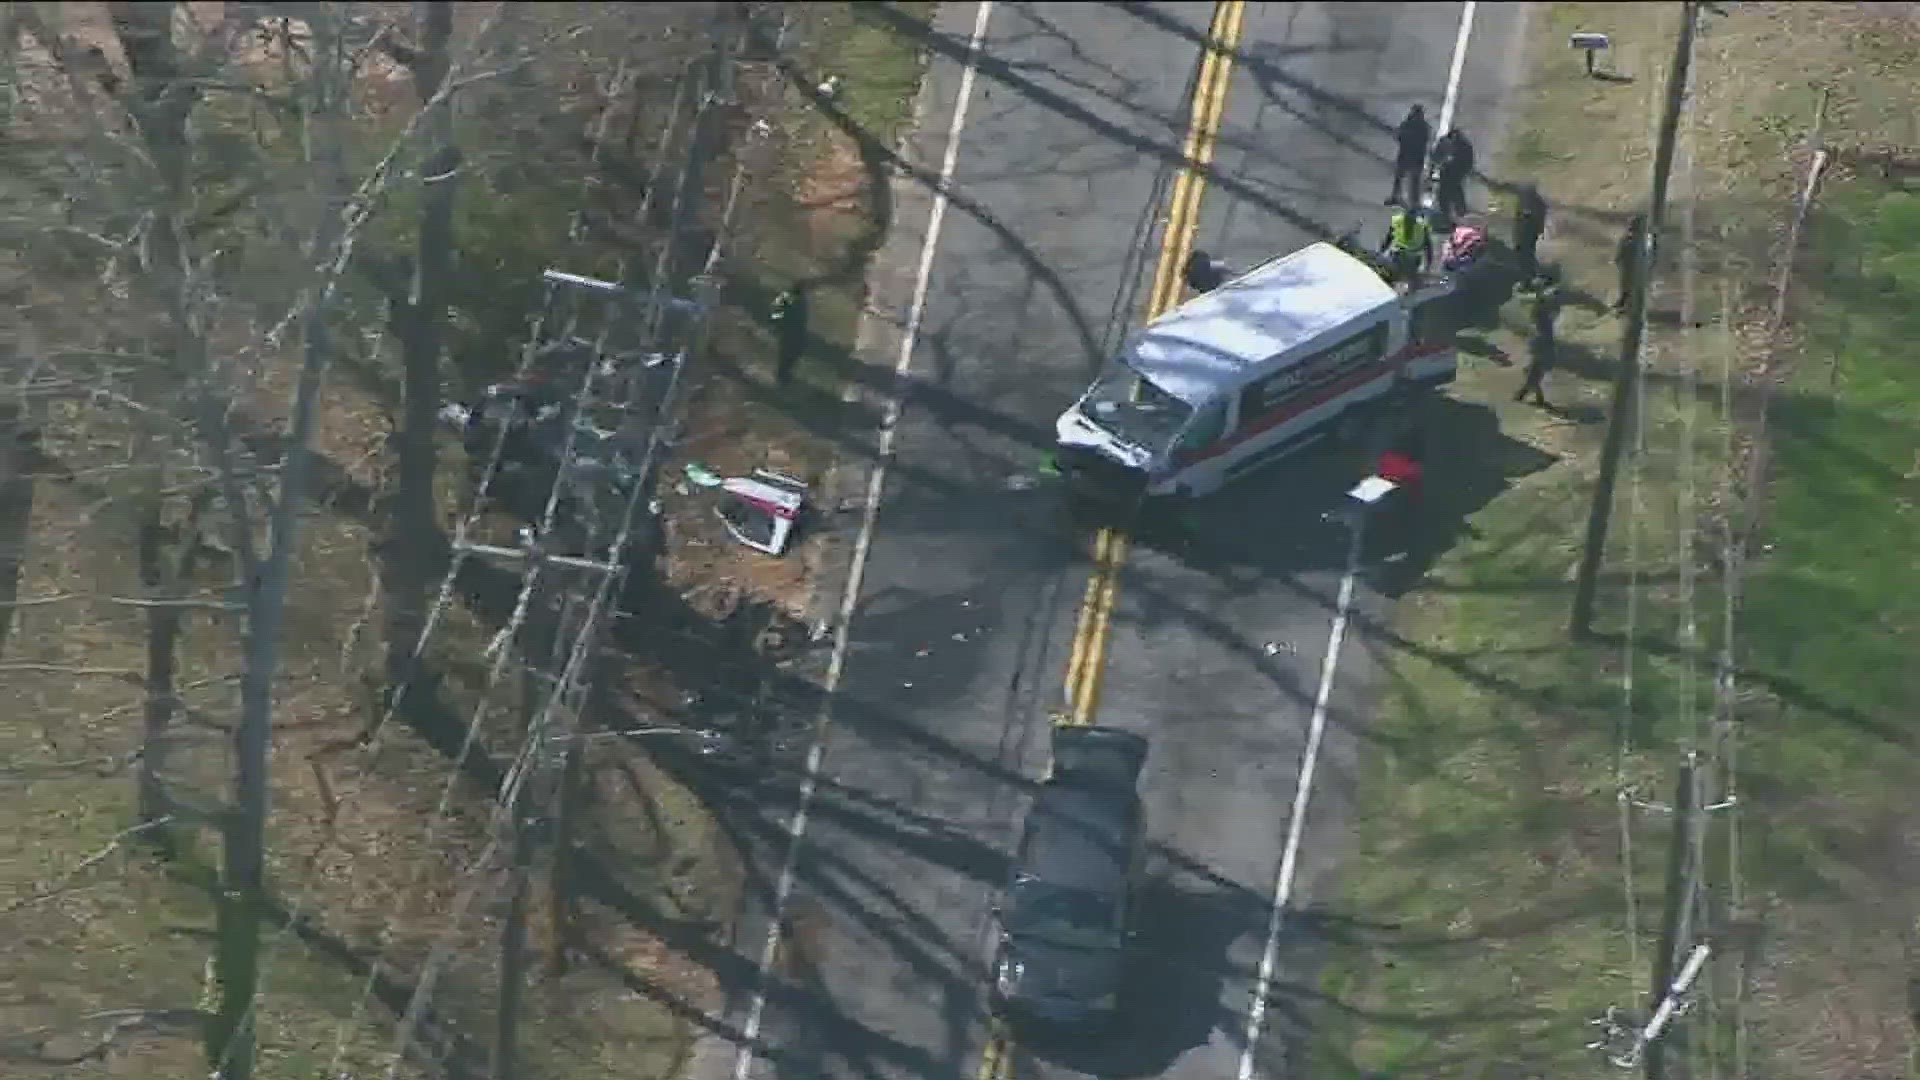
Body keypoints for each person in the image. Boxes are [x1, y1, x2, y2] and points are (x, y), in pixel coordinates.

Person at [1515, 277, 1563, 405]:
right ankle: (1532, 396)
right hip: (1543, 341)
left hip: (1542, 341)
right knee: (1535, 370)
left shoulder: (1542, 306)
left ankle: (1525, 394)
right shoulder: (1546, 305)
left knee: (1534, 370)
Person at [1379, 204, 1434, 285]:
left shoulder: (1398, 220)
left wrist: (1382, 252)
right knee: (1408, 280)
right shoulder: (1423, 225)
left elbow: (1389, 238)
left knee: (1396, 279)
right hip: (1413, 258)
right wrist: (1428, 265)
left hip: (1400, 256)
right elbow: (1429, 247)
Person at [1388, 104, 1431, 206]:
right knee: (1413, 181)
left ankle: (1397, 197)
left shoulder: (1408, 124)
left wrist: (1401, 135)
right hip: (1416, 157)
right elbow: (1425, 140)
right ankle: (1414, 202)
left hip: (1406, 155)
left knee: (1400, 178)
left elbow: (1399, 137)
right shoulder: (1424, 127)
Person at [770, 282, 810, 386]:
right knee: (787, 354)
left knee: (792, 354)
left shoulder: (802, 300)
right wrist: (776, 324)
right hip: (789, 330)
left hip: (796, 331)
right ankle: (782, 376)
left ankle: (784, 375)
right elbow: (775, 309)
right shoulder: (786, 297)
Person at [1431, 128, 1475, 220]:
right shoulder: (1464, 144)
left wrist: (1439, 164)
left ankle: (1448, 213)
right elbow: (1469, 161)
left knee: (1446, 192)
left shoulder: (1450, 143)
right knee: (1454, 191)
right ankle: (1458, 212)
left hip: (1451, 171)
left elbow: (1437, 156)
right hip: (1454, 172)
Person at [1513, 183, 1548, 289]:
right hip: (1522, 235)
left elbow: (1538, 221)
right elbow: (1518, 219)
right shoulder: (1524, 203)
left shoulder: (1536, 205)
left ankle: (1531, 280)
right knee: (1523, 256)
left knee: (1527, 255)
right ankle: (1527, 280)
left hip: (1528, 235)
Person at [1613, 213, 1647, 314]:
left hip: (1634, 267)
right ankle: (1624, 303)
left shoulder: (1638, 240)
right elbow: (1620, 250)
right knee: (1626, 286)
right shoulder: (1628, 238)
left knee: (1631, 288)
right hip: (1628, 266)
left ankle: (1627, 306)